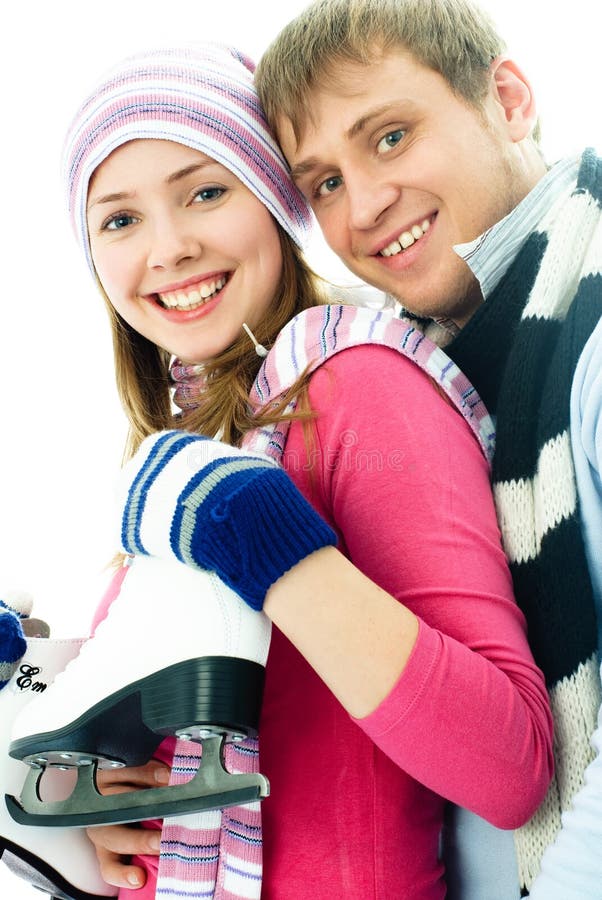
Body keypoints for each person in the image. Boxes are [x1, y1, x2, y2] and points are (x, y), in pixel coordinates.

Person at [53, 40, 554, 900]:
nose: (167, 249)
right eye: (120, 219)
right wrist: (95, 799)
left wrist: (271, 547)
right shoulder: (192, 463)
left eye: (205, 192)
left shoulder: (354, 384)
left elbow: (508, 765)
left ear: (272, 202)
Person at [253, 0, 602, 895]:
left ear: (510, 99)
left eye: (392, 136)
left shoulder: (591, 339)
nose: (365, 205)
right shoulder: (420, 380)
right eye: (323, 183)